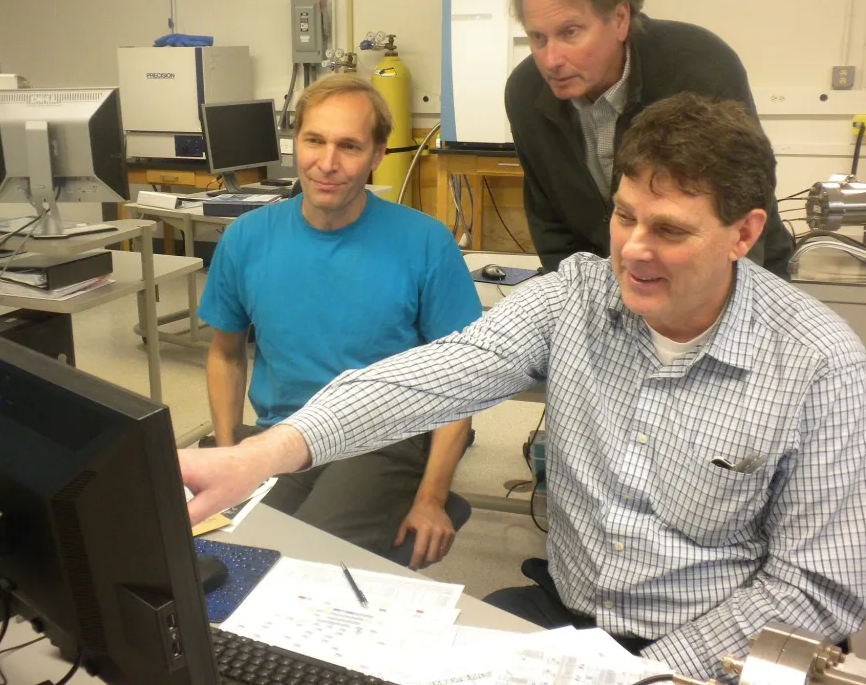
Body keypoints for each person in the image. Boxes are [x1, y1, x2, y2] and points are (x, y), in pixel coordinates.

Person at [180, 93, 866, 681]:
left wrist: (646, 674)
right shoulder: (575, 297)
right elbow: (424, 380)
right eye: (625, 216)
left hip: (711, 653)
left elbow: (815, 586)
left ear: (744, 233)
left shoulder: (819, 365)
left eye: (669, 230)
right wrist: (254, 456)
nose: (632, 250)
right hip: (566, 622)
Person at [196, 73, 482, 569]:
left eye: (349, 146)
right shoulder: (247, 238)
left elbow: (463, 384)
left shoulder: (425, 243)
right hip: (281, 434)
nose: (327, 164)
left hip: (380, 440)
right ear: (295, 143)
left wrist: (431, 497)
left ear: (376, 155)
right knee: (223, 554)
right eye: (314, 141)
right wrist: (229, 458)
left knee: (301, 563)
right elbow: (224, 354)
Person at [504, 0, 793, 278]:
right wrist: (583, 297)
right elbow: (549, 222)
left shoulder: (700, 68)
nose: (551, 60)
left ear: (620, 19)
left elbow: (741, 204)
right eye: (538, 37)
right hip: (616, 283)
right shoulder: (525, 94)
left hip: (725, 275)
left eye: (570, 33)